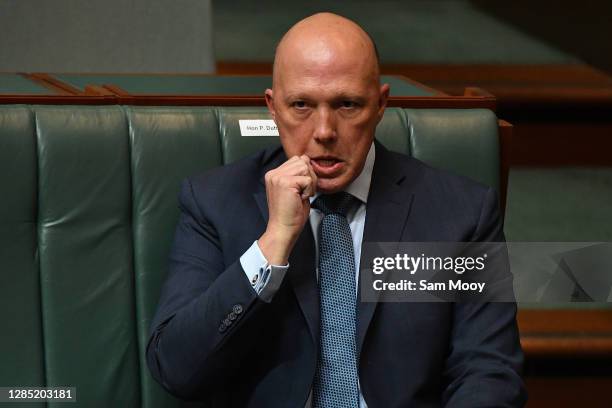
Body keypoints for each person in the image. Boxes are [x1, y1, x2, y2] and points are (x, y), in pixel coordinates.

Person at [147, 12, 526, 407]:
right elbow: (176, 368)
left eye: (347, 104)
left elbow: (489, 373)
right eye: (301, 105)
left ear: (380, 105)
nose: (325, 131)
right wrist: (271, 245)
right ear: (273, 108)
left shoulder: (461, 213)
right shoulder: (214, 202)